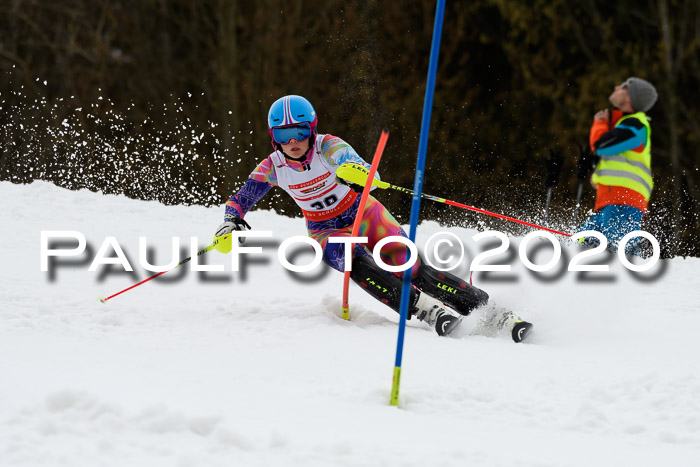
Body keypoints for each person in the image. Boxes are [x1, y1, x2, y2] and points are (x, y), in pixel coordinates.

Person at [215, 95, 532, 341]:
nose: (292, 142)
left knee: (408, 265)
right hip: (325, 229)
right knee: (352, 261)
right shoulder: (273, 166)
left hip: (363, 211)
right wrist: (230, 221)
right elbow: (241, 198)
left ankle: (489, 312)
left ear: (310, 130)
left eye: (299, 132)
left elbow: (365, 169)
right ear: (274, 137)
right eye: (283, 135)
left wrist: (357, 172)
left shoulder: (328, 146)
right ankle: (426, 310)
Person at [578, 77, 657, 255]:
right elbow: (616, 155)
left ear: (629, 97)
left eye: (622, 86)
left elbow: (602, 145)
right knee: (578, 243)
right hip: (613, 202)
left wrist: (599, 124)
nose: (616, 87)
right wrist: (597, 176)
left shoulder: (636, 124)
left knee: (620, 257)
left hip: (623, 202)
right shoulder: (626, 125)